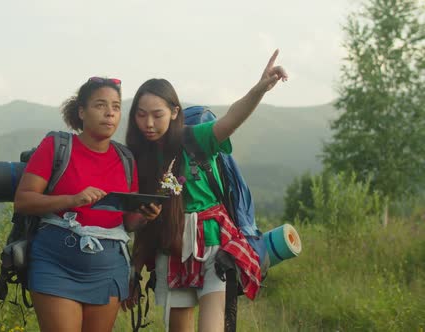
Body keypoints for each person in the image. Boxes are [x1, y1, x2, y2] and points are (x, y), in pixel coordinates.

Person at [124, 50, 288, 332]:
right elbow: (141, 223)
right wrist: (134, 269)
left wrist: (259, 89)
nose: (148, 123)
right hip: (171, 248)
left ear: (175, 112)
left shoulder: (194, 139)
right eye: (141, 115)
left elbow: (231, 119)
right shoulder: (139, 157)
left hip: (214, 246)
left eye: (157, 114)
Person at [14, 77, 161, 332]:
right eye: (100, 105)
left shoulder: (125, 158)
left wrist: (146, 215)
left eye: (116, 107)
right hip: (56, 264)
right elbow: (23, 200)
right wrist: (72, 200)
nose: (109, 113)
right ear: (81, 111)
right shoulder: (57, 146)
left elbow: (127, 222)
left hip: (108, 269)